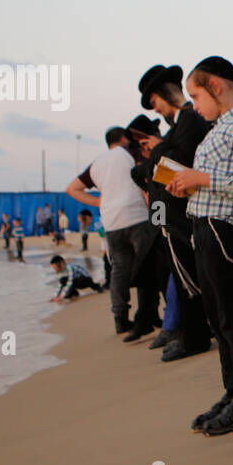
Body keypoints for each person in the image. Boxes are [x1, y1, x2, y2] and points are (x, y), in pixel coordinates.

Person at [167, 56, 233, 435]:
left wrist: (201, 178)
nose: (192, 105)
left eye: (196, 94)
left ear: (215, 86)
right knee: (217, 317)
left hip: (223, 228)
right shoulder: (220, 129)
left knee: (230, 316)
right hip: (206, 224)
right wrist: (189, 182)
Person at [132, 63, 213, 363]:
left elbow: (182, 161)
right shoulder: (178, 126)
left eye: (155, 104)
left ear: (164, 96)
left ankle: (195, 337)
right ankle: (190, 333)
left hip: (179, 214)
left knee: (187, 279)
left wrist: (158, 156)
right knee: (181, 278)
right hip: (168, 216)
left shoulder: (189, 120)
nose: (156, 111)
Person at [67, 128, 159, 338]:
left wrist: (99, 202)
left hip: (111, 221)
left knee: (119, 271)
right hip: (137, 215)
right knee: (146, 265)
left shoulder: (97, 164)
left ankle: (120, 319)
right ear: (124, 139)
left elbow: (72, 189)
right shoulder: (131, 154)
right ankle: (148, 315)